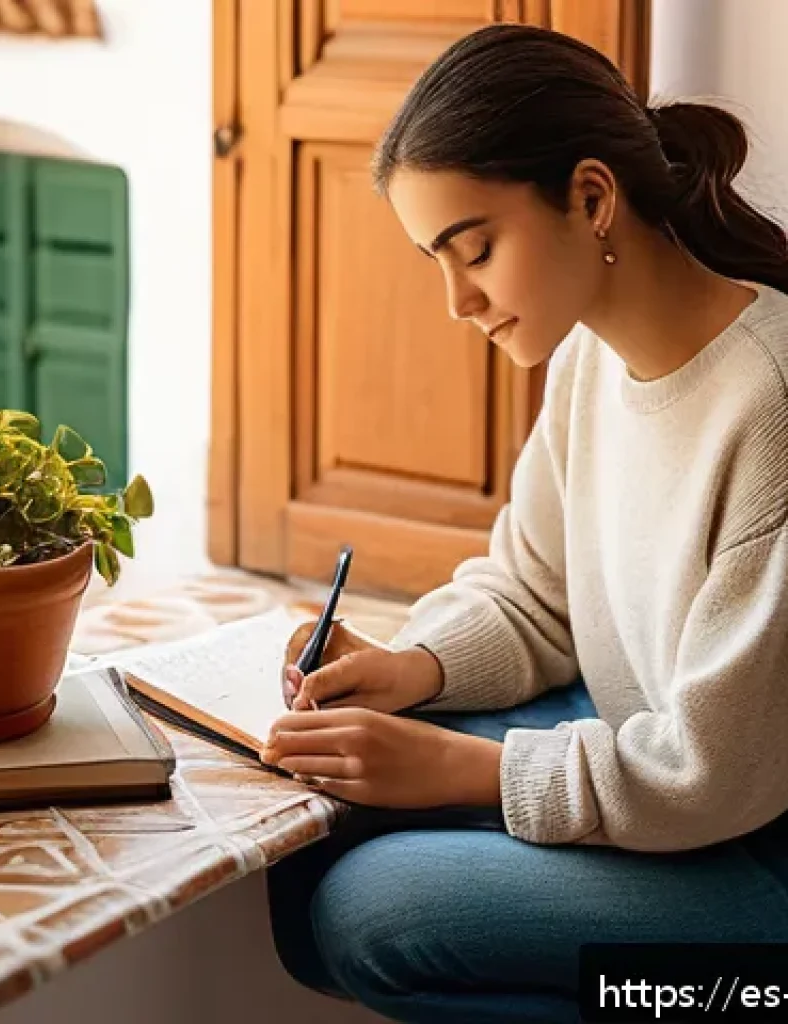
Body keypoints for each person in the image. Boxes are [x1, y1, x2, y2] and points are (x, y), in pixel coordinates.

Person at [260, 22, 788, 1024]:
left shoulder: (770, 406)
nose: (456, 301)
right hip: (665, 773)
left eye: (475, 250)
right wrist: (409, 664)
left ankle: (717, 1003)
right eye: (434, 261)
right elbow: (535, 594)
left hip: (756, 854)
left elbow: (716, 775)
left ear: (591, 199)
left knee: (373, 915)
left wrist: (470, 768)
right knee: (312, 835)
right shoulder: (590, 357)